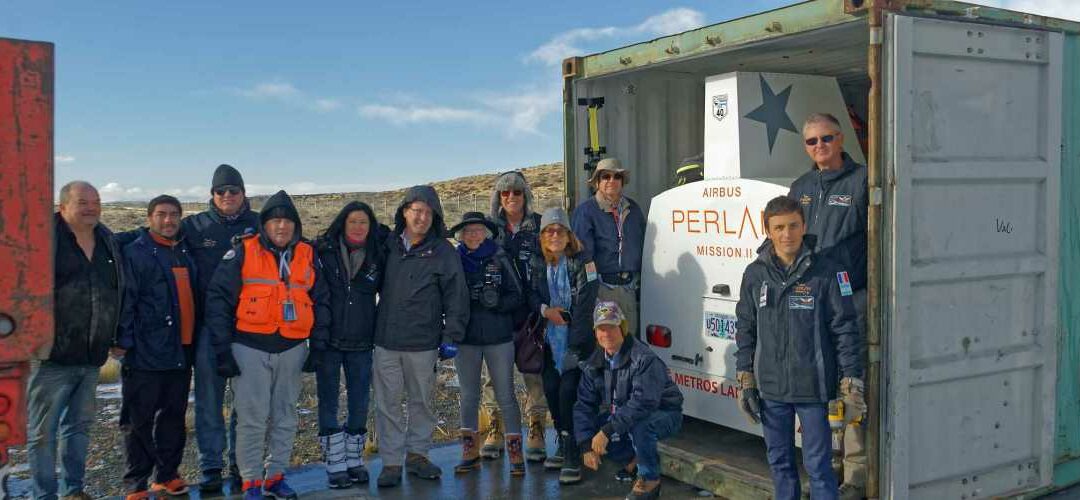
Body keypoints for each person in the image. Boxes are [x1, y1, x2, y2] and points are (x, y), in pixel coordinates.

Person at [734, 195, 864, 500]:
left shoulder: (827, 271)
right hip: (772, 390)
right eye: (778, 227)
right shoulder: (755, 274)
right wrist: (745, 377)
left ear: (804, 226)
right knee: (780, 464)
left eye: (793, 226)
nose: (786, 234)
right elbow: (745, 327)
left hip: (814, 390)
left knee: (819, 466)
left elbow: (845, 327)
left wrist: (851, 382)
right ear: (767, 230)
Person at [205, 190, 331, 500]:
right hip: (249, 349)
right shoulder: (243, 252)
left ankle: (275, 476)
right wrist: (223, 350)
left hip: (292, 348)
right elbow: (219, 300)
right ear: (265, 224)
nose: (281, 227)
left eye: (288, 221)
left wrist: (318, 344)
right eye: (275, 220)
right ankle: (250, 482)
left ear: (295, 226)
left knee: (286, 416)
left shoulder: (307, 253)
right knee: (251, 417)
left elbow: (322, 300)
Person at [787, 112, 869, 499]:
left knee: (853, 384)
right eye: (811, 141)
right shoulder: (800, 186)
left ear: (841, 140)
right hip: (811, 298)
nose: (819, 146)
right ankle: (826, 471)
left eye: (826, 138)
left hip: (852, 297)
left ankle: (855, 477)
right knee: (820, 384)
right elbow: (785, 240)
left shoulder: (863, 180)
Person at [27, 181, 124, 500]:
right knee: (42, 433)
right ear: (63, 205)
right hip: (50, 357)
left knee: (79, 429)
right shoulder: (42, 240)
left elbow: (115, 291)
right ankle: (44, 494)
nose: (91, 207)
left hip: (92, 355)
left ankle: (74, 490)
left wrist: (114, 335)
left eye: (95, 202)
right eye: (83, 202)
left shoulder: (107, 240)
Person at [372, 186, 469, 487]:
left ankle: (417, 455)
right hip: (386, 340)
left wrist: (451, 334)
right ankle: (390, 462)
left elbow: (457, 297)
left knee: (422, 402)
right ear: (404, 212)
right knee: (387, 404)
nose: (422, 217)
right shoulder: (387, 246)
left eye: (428, 213)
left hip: (423, 343)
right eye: (416, 210)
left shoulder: (443, 252)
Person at [115, 195, 197, 499]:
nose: (168, 220)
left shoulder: (185, 251)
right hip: (146, 350)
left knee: (174, 415)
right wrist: (123, 340)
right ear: (150, 217)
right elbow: (128, 300)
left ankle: (166, 474)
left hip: (181, 349)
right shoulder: (136, 253)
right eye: (161, 214)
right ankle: (135, 482)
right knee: (138, 419)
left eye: (174, 214)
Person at [185, 164, 260, 491]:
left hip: (250, 327)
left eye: (234, 190)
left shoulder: (260, 224)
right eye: (221, 191)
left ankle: (240, 463)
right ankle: (211, 467)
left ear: (244, 193)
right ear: (212, 195)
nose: (227, 196)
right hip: (208, 328)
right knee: (208, 402)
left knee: (245, 402)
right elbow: (151, 235)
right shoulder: (193, 226)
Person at [575, 301, 684, 500]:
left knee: (640, 427)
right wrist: (585, 445)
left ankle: (649, 479)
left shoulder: (643, 357)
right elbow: (583, 405)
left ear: (623, 328)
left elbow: (644, 403)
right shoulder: (594, 364)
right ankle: (634, 457)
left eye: (612, 327)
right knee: (594, 431)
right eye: (601, 328)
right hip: (625, 414)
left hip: (665, 413)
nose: (606, 333)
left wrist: (607, 431)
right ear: (595, 333)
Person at [311, 201, 387, 488]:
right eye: (353, 221)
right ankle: (335, 463)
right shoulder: (324, 251)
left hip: (362, 339)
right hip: (329, 339)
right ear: (343, 223)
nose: (358, 227)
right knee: (328, 401)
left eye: (364, 222)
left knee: (359, 401)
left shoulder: (378, 254)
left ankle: (355, 459)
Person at [449, 212, 526, 476]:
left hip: (498, 336)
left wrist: (497, 303)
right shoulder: (454, 260)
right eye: (467, 231)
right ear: (460, 235)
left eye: (477, 230)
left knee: (506, 395)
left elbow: (517, 295)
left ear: (486, 233)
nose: (473, 235)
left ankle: (516, 454)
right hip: (467, 338)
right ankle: (469, 453)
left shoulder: (500, 256)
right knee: (469, 396)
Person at [481, 170, 549, 462]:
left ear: (526, 196)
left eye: (517, 192)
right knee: (494, 378)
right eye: (505, 193)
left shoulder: (539, 226)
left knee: (534, 374)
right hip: (496, 315)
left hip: (530, 314)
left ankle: (536, 427)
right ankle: (495, 429)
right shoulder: (486, 228)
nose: (511, 197)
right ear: (498, 197)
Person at [529, 207, 598, 484]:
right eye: (548, 230)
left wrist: (575, 346)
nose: (554, 234)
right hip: (548, 340)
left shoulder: (584, 262)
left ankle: (573, 452)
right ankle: (562, 438)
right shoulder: (537, 263)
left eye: (559, 230)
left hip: (576, 339)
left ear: (569, 234)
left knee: (569, 391)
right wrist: (546, 311)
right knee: (551, 389)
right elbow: (530, 295)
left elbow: (585, 306)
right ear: (542, 236)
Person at [571, 158, 646, 339]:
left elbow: (645, 246)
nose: (611, 180)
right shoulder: (586, 211)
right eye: (606, 176)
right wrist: (592, 294)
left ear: (622, 181)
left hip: (629, 289)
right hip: (601, 290)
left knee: (629, 342)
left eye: (617, 176)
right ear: (597, 182)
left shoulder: (633, 209)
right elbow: (583, 256)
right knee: (605, 344)